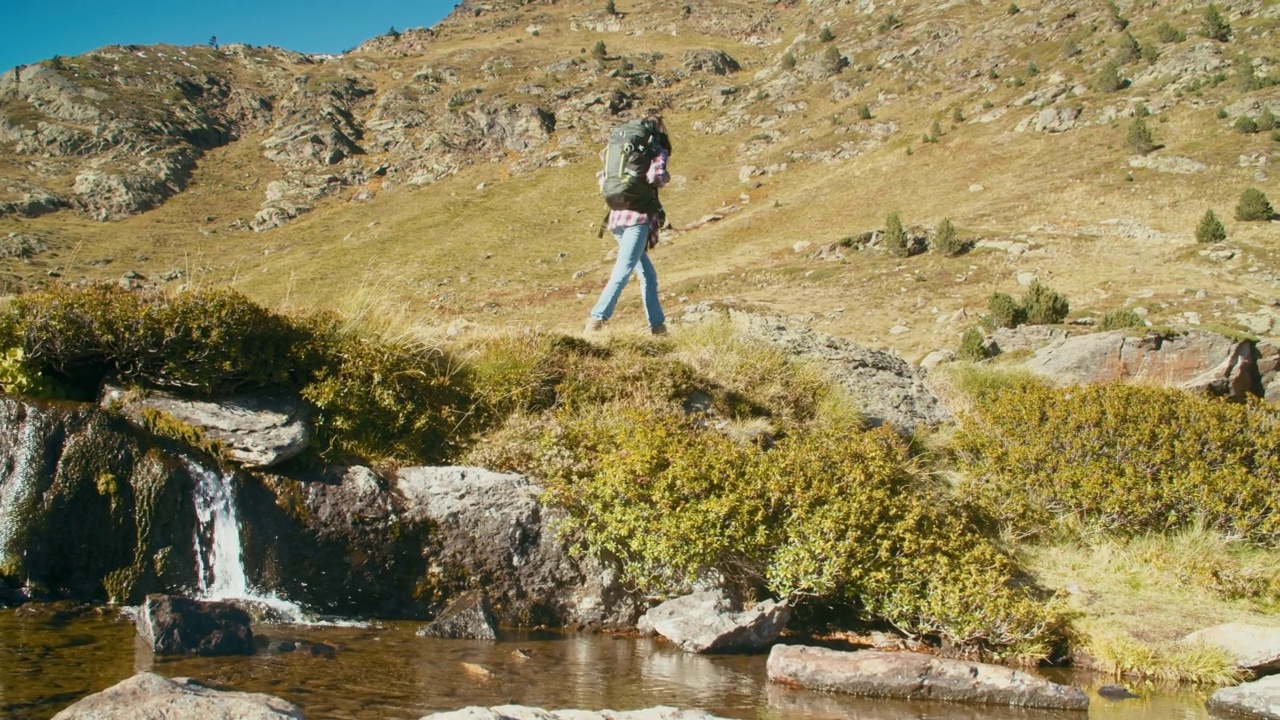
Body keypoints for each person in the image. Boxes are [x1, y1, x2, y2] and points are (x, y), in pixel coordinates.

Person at [585, 115, 670, 335]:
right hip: (637, 219)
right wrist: (664, 175)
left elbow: (603, 179)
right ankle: (596, 320)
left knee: (648, 275)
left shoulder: (621, 149)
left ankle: (658, 327)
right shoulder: (655, 150)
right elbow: (656, 177)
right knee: (622, 271)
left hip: (616, 217)